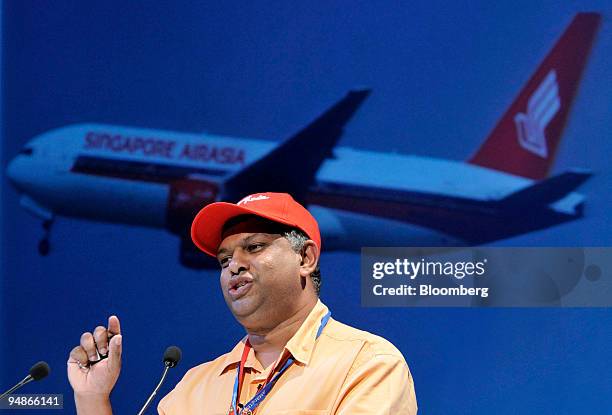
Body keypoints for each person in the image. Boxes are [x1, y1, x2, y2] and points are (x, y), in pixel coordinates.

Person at [68, 192, 418, 414]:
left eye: (253, 248)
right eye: (223, 260)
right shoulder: (195, 385)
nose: (233, 265)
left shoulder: (367, 364)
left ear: (306, 258)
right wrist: (93, 400)